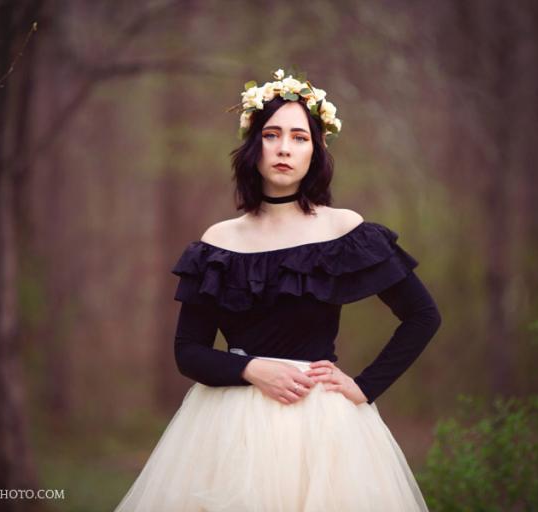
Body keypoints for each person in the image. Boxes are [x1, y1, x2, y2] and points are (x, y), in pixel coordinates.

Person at [113, 68, 442, 512]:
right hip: (227, 429)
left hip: (324, 430)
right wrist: (251, 370)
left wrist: (365, 388)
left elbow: (423, 316)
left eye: (300, 137)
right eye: (272, 135)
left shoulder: (343, 229)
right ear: (254, 147)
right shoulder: (219, 242)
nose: (285, 148)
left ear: (316, 150)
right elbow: (188, 351)